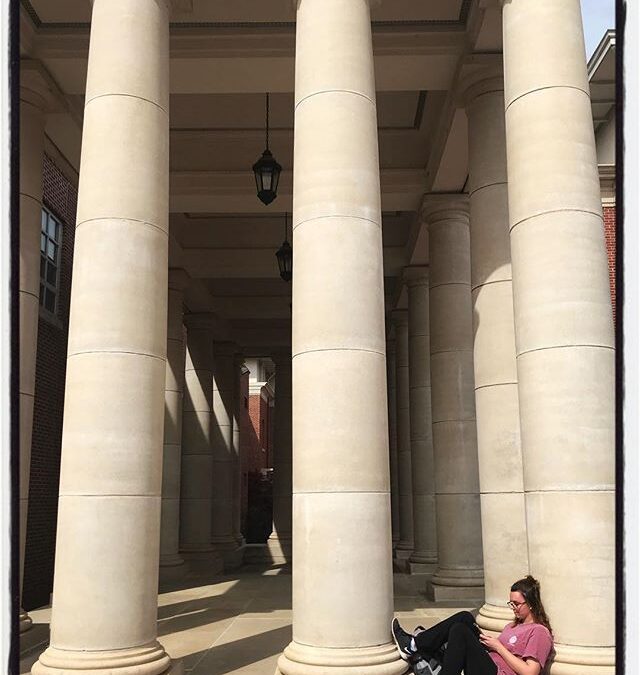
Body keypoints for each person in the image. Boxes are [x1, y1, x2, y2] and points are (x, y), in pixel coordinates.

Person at [391, 575, 554, 675]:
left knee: (460, 631)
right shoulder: (512, 626)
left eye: (517, 604)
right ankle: (416, 645)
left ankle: (420, 648)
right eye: (510, 603)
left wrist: (499, 647)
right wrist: (490, 644)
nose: (513, 608)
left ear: (531, 603)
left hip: (499, 672)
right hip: (489, 663)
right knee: (465, 618)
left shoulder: (538, 631)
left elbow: (530, 672)